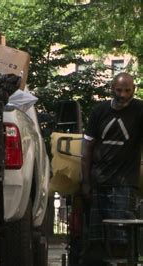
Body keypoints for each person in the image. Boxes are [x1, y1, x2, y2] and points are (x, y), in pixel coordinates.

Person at [81, 72, 143, 265]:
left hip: (124, 183)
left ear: (134, 90)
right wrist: (86, 182)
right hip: (99, 181)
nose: (123, 95)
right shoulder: (99, 111)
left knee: (121, 235)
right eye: (119, 90)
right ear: (111, 89)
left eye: (127, 90)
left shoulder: (140, 110)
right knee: (97, 238)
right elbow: (88, 147)